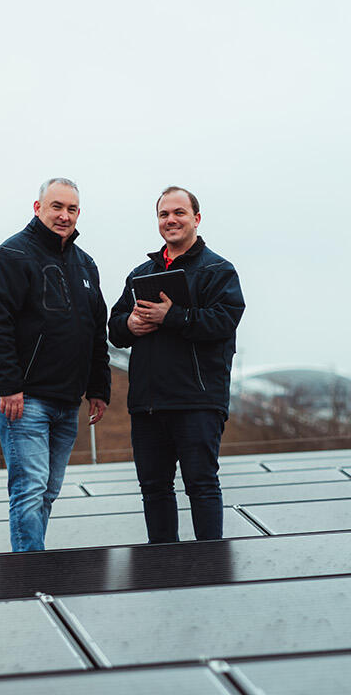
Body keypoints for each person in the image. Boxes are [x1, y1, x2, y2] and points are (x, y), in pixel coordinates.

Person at [0, 178, 110, 552]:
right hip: (25, 399)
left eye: (71, 209)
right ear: (38, 208)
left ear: (78, 213)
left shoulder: (86, 265)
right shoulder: (12, 255)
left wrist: (98, 388)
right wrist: (8, 384)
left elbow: (94, 331)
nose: (64, 215)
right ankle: (29, 574)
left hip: (67, 401)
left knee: (47, 491)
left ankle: (34, 564)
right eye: (56, 207)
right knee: (30, 488)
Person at [109, 186, 245, 543]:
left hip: (198, 401)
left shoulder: (219, 270)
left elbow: (223, 321)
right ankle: (163, 569)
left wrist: (174, 317)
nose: (171, 220)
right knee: (154, 489)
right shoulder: (141, 273)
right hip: (148, 403)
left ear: (196, 219)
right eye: (164, 214)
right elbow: (115, 325)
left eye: (179, 213)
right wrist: (130, 325)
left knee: (201, 486)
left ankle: (210, 568)